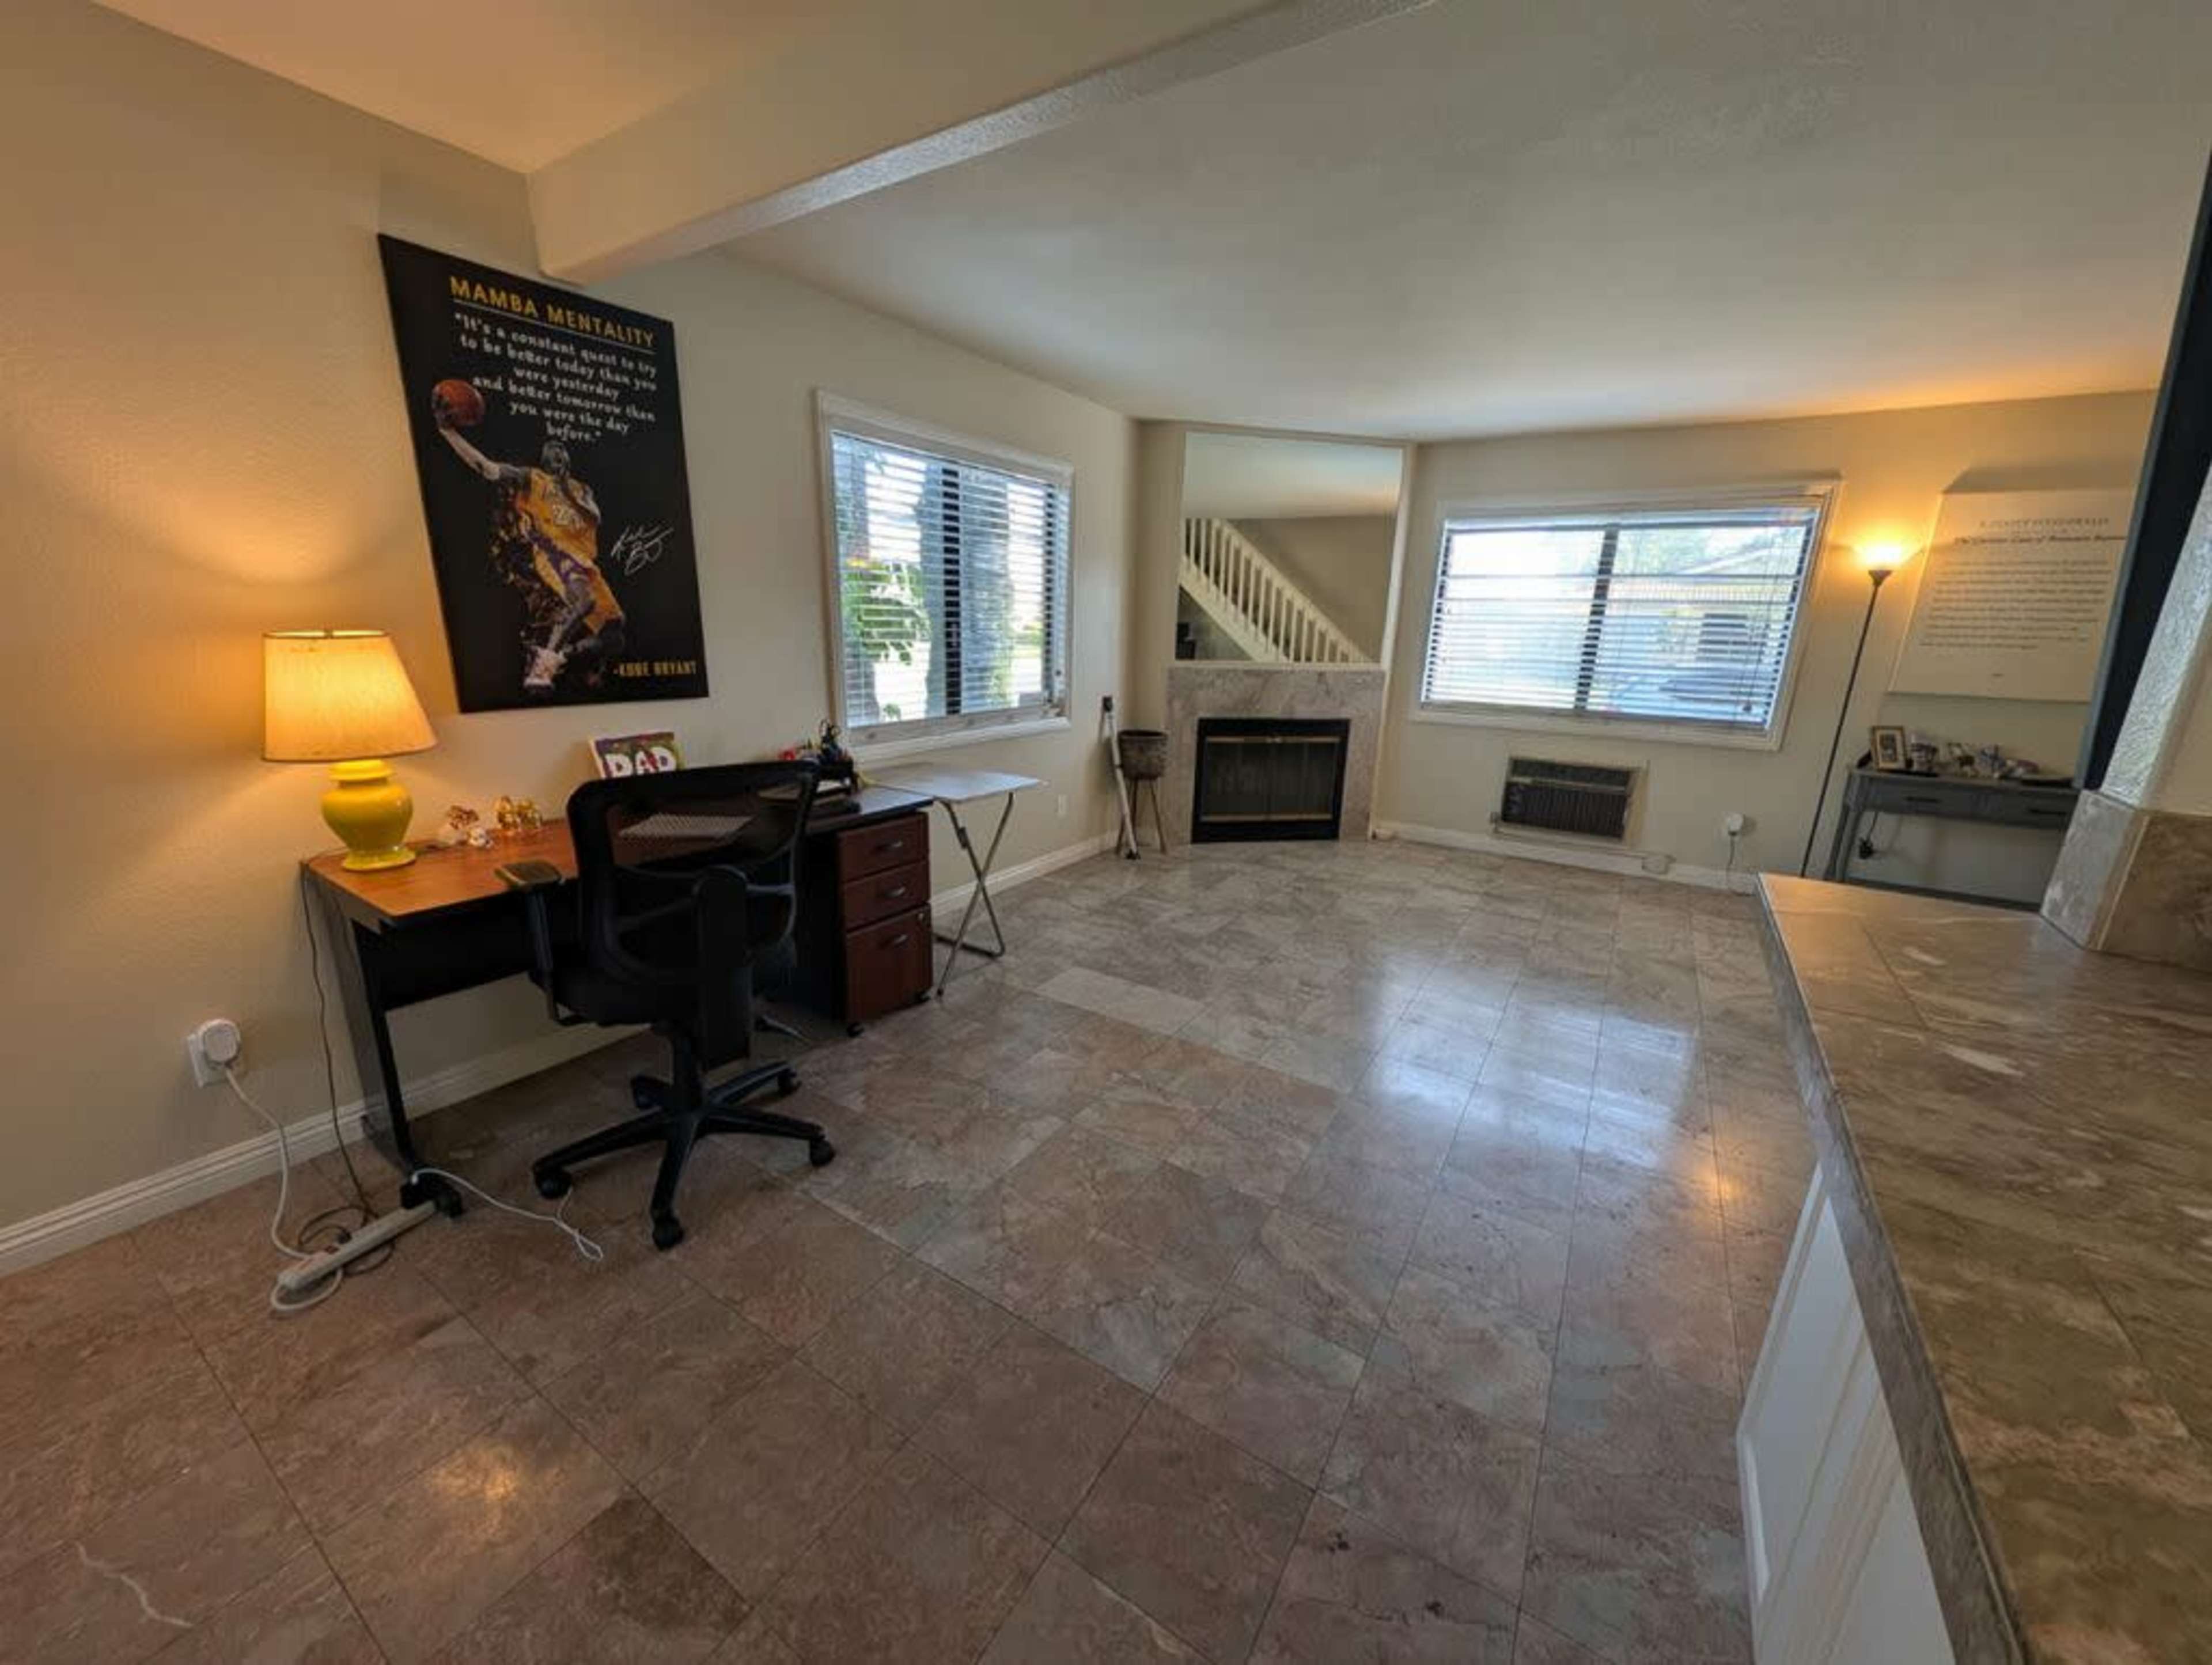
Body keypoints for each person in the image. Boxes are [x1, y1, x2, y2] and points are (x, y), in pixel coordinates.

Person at [433, 396, 627, 693]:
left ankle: (559, 655)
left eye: (563, 449)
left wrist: (566, 489)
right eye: (552, 450)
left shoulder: (581, 489)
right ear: (544, 460)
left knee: (615, 636)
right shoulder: (533, 479)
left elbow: (595, 517)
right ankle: (543, 667)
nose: (559, 452)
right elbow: (487, 468)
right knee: (584, 602)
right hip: (553, 552)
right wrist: (449, 433)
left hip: (586, 560)